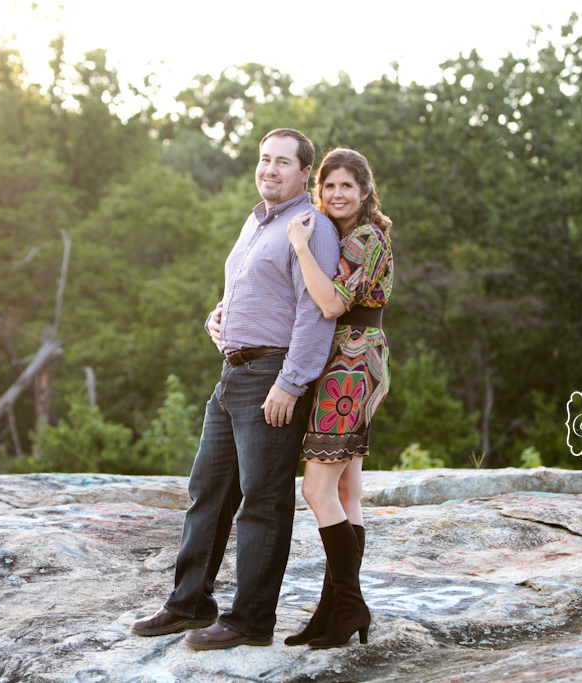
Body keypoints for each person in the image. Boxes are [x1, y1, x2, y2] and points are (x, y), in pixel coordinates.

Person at [129, 129, 340, 649]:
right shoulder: (256, 220)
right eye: (264, 159)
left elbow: (316, 316)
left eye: (282, 162)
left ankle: (250, 621)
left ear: (303, 173)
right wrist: (219, 317)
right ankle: (189, 604)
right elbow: (248, 285)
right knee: (208, 491)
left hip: (272, 377)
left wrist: (291, 384)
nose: (269, 169)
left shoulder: (309, 227)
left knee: (263, 502)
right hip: (232, 375)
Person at [282, 148, 394, 649]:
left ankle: (348, 603)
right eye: (328, 186)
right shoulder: (347, 237)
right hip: (349, 362)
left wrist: (300, 246)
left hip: (351, 367)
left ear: (366, 191)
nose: (336, 194)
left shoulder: (367, 239)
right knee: (347, 493)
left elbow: (329, 304)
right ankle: (334, 610)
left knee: (316, 491)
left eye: (347, 186)